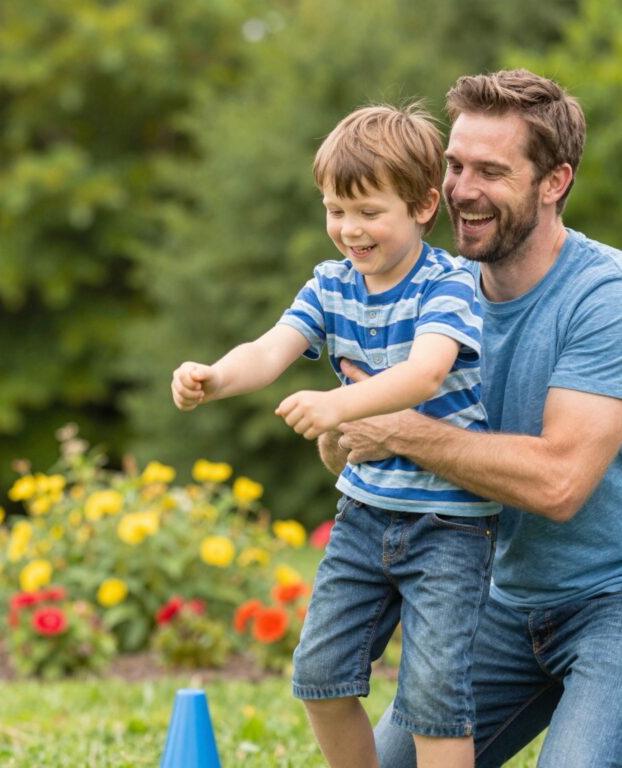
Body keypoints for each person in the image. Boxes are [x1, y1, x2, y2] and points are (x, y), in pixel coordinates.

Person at [320, 70, 622, 767]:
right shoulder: (428, 298)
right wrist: (343, 430)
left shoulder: (611, 297)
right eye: (455, 165)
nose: (461, 189)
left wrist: (399, 429)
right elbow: (359, 447)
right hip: (506, 602)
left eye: (491, 171)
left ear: (554, 181)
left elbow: (559, 483)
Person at [171, 104, 500, 768]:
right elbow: (269, 351)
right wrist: (214, 375)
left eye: (368, 212)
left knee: (436, 697)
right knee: (320, 677)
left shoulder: (450, 283)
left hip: (450, 526)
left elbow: (427, 373)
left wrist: (337, 404)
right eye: (335, 210)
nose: (349, 229)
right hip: (362, 516)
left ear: (422, 205)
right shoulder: (332, 285)